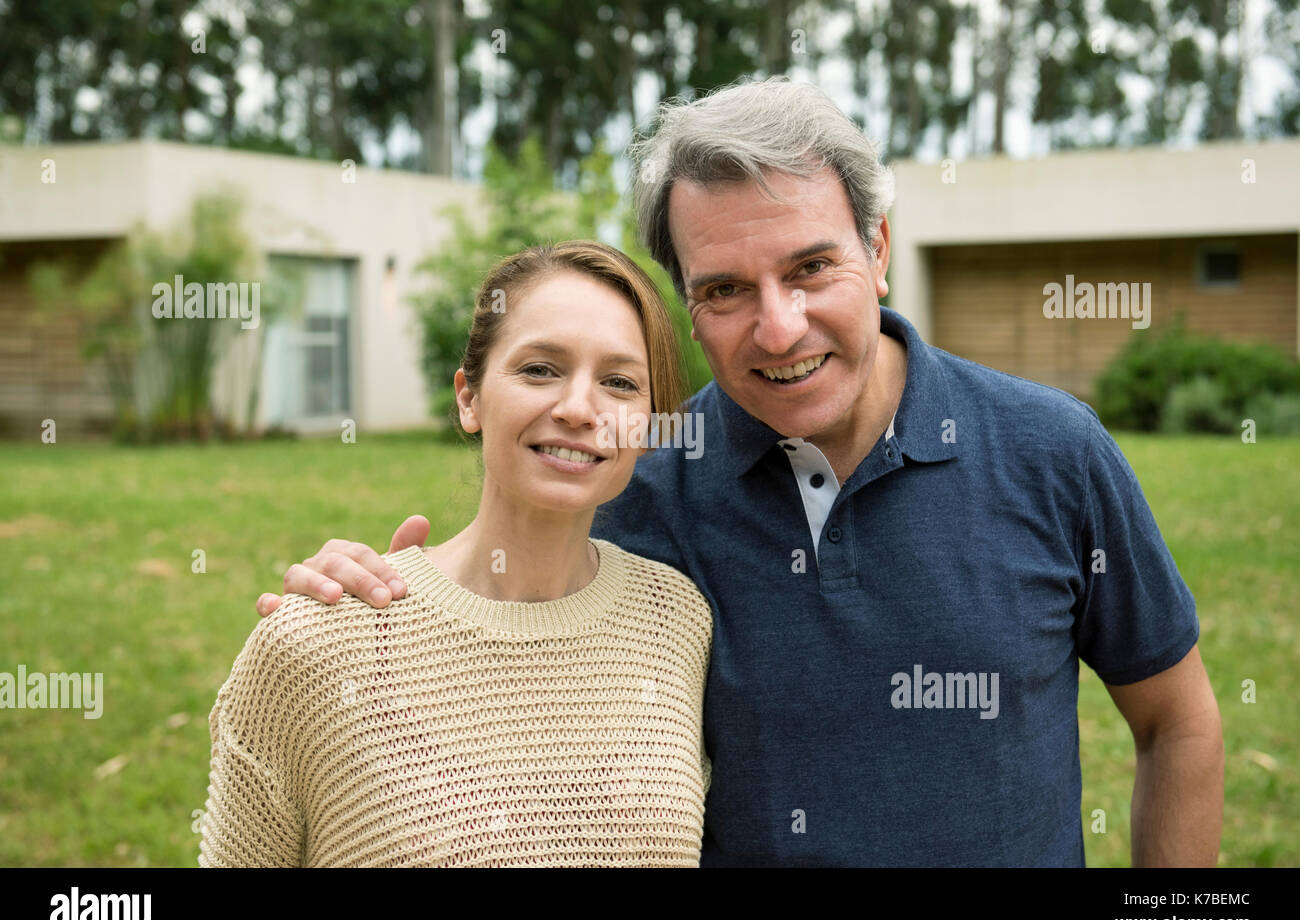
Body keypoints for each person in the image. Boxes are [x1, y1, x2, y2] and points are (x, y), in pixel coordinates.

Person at [258, 77, 1224, 866]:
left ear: (876, 249)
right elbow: (497, 651)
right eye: (724, 289)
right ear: (686, 301)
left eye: (810, 269)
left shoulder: (1054, 451)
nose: (779, 327)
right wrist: (361, 602)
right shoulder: (634, 485)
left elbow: (1177, 724)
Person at [200, 241, 714, 867]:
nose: (580, 409)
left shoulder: (680, 621)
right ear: (469, 398)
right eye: (540, 369)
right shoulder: (316, 644)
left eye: (619, 382)